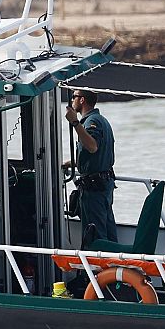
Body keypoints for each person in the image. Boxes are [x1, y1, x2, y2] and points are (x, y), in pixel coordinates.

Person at [66, 88, 117, 244]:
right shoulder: (101, 119)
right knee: (107, 230)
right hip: (104, 185)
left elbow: (92, 147)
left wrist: (75, 122)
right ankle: (115, 265)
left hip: (94, 188)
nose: (71, 101)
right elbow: (99, 154)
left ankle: (97, 268)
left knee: (95, 234)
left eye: (74, 97)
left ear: (82, 100)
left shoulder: (91, 122)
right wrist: (70, 163)